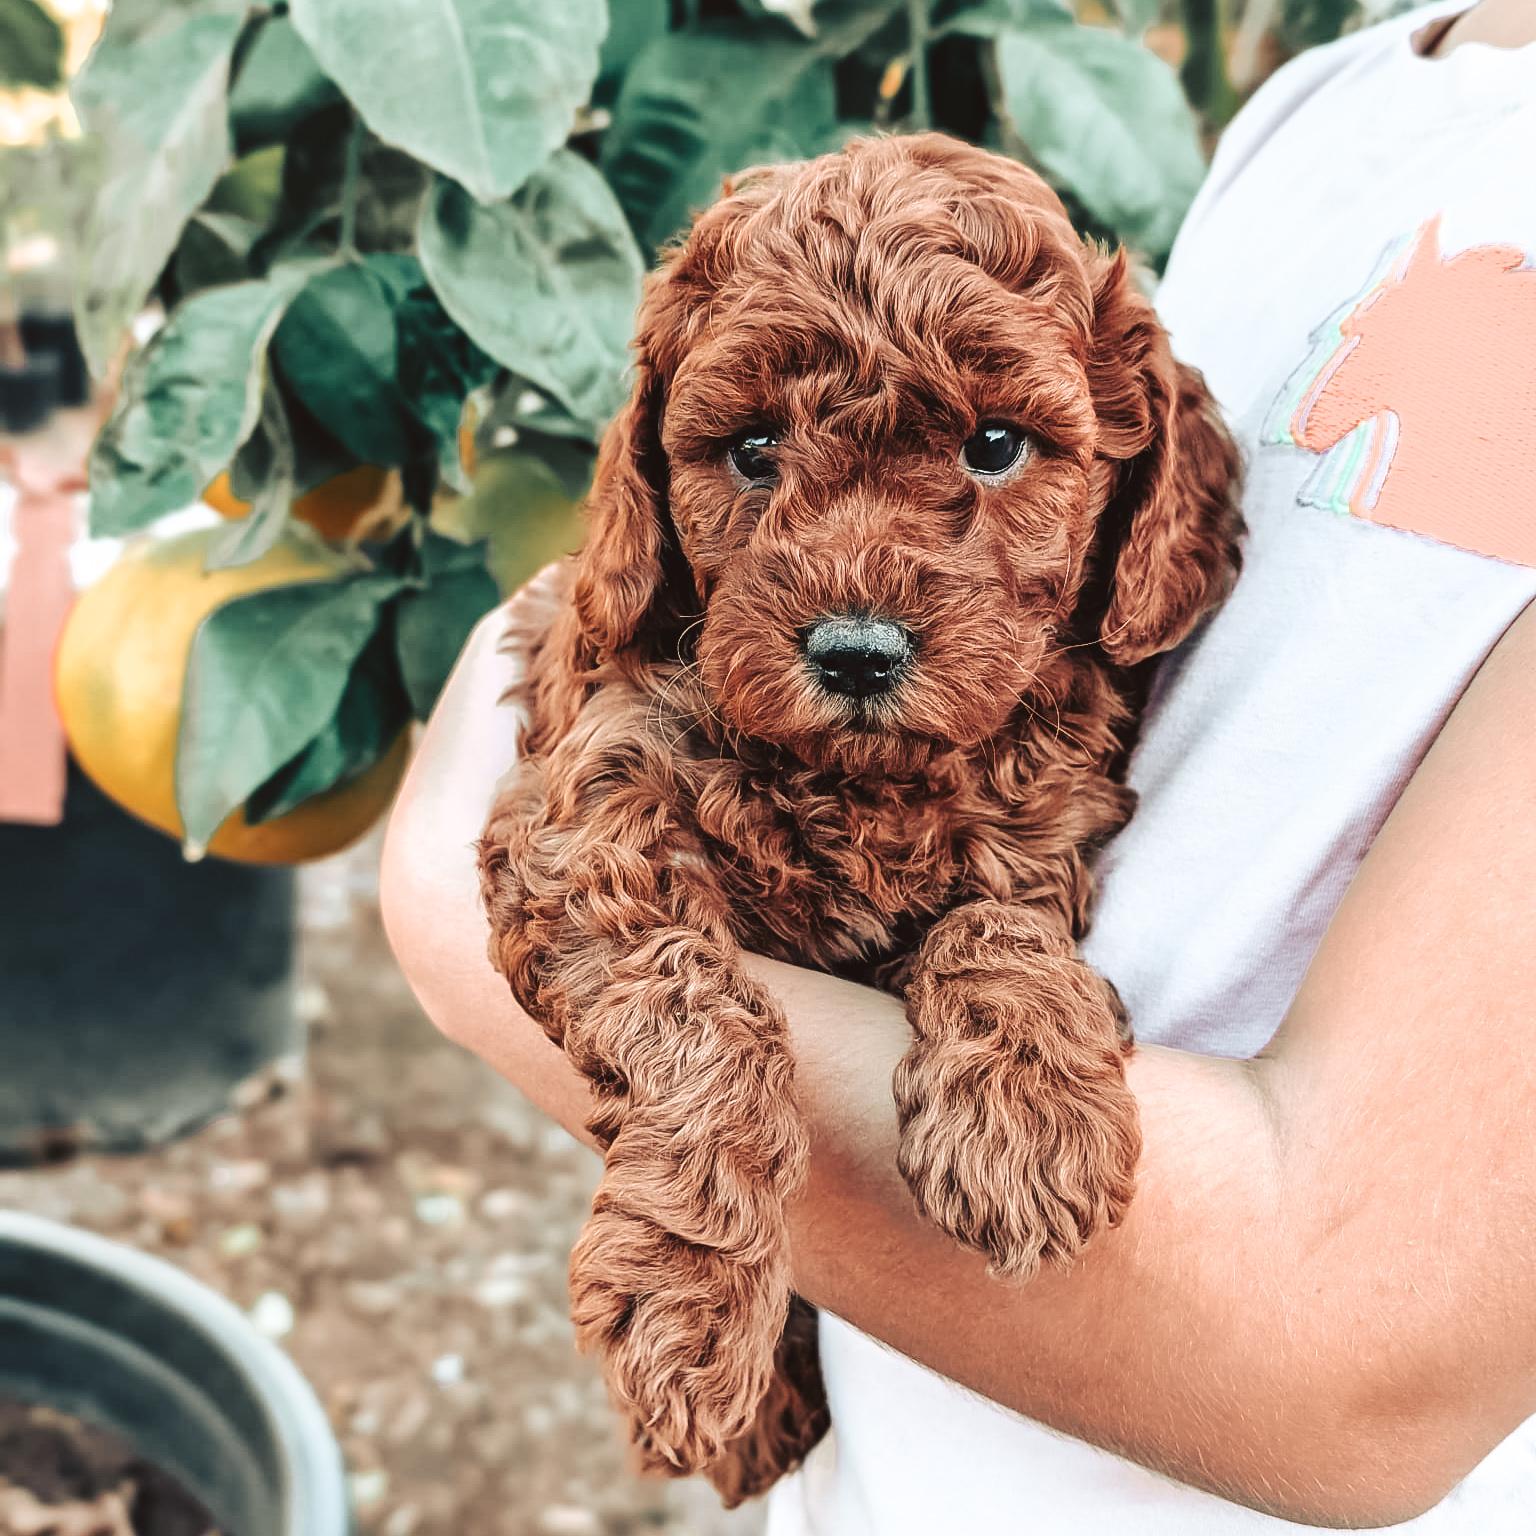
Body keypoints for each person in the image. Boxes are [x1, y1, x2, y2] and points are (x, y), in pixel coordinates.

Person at [379, 2, 1536, 1528]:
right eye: (754, 458)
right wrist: (702, 1148)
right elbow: (593, 850)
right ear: (650, 470)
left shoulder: (1052, 700)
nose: (858, 603)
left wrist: (448, 924)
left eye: (993, 452)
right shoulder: (1337, 97)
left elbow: (1356, 1354)